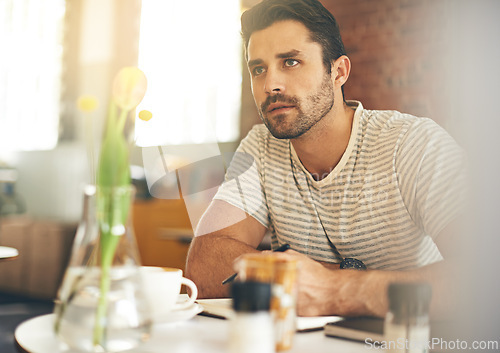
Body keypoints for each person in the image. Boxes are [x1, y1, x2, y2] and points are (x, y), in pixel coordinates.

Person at [185, 0, 466, 318]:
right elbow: (204, 267)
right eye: (258, 69)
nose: (270, 85)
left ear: (338, 71)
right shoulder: (262, 147)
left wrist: (335, 289)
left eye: (290, 62)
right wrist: (327, 277)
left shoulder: (413, 144)